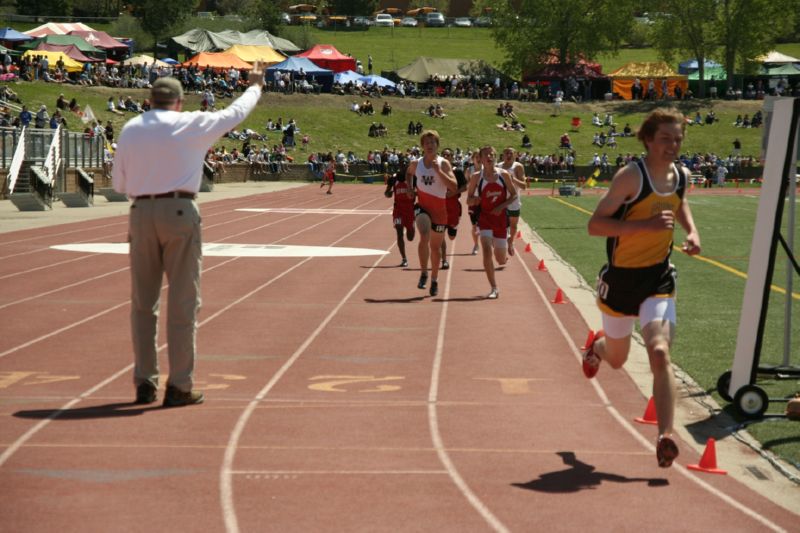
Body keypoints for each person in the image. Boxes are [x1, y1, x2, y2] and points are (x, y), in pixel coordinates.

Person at [112, 64, 267, 407]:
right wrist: (256, 86)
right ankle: (179, 385)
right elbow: (235, 113)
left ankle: (145, 382)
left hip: (139, 212)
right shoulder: (190, 124)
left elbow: (119, 185)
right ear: (179, 102)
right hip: (180, 211)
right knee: (183, 303)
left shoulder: (131, 129)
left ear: (149, 101)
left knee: (142, 304)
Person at [581, 108, 701, 468]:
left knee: (660, 352)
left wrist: (692, 231)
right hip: (620, 280)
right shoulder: (630, 177)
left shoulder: (682, 175)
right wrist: (645, 227)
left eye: (678, 138)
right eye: (665, 138)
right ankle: (597, 347)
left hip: (658, 278)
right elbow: (595, 226)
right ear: (648, 139)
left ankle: (665, 435)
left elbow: (680, 205)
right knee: (617, 360)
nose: (673, 145)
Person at [405, 130, 457, 297]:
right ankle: (423, 273)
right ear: (422, 146)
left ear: (437, 146)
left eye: (432, 143)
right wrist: (409, 187)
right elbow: (408, 173)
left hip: (439, 211)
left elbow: (454, 187)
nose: (429, 145)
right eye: (426, 143)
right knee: (424, 234)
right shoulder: (416, 163)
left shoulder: (443, 164)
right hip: (423, 207)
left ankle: (434, 279)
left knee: (435, 249)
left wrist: (439, 171)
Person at [467, 146, 518, 299]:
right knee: (486, 251)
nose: (489, 156)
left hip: (501, 220)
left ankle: (506, 246)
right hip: (485, 219)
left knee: (500, 260)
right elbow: (468, 199)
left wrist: (501, 206)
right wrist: (474, 200)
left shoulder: (504, 175)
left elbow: (514, 195)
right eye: (486, 154)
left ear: (495, 157)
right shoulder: (476, 177)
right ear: (481, 159)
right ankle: (494, 288)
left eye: (492, 154)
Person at [439, 148, 468, 270]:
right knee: (440, 234)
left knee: (451, 236)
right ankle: (444, 261)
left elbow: (465, 187)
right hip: (440, 206)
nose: (446, 156)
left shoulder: (458, 172)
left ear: (452, 157)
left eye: (448, 155)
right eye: (443, 154)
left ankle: (454, 226)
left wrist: (454, 192)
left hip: (453, 207)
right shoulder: (437, 171)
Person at [384, 163, 415, 267]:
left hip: (410, 210)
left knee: (410, 237)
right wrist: (390, 193)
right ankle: (404, 258)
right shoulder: (393, 179)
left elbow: (420, 192)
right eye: (403, 167)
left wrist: (414, 193)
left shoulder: (413, 178)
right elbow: (386, 194)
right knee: (399, 232)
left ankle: (412, 227)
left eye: (406, 168)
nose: (404, 169)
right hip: (398, 210)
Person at [500, 147, 527, 254]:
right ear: (503, 155)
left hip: (514, 201)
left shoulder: (518, 167)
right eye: (506, 153)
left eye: (511, 153)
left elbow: (524, 186)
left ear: (515, 155)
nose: (509, 155)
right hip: (501, 200)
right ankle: (502, 245)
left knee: (513, 225)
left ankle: (510, 242)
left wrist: (513, 179)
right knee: (501, 225)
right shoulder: (498, 166)